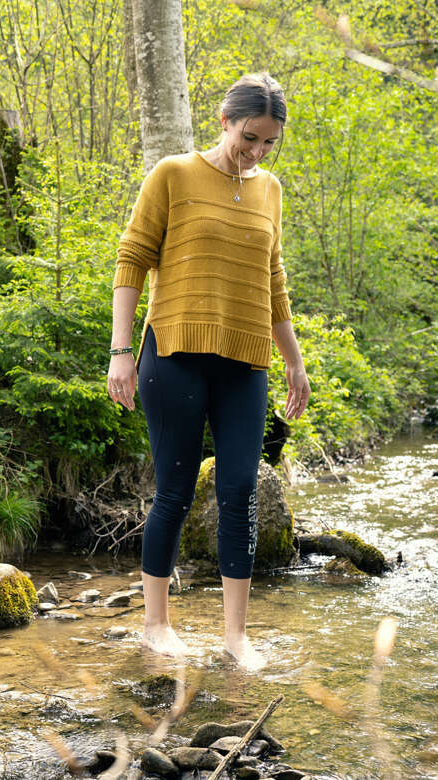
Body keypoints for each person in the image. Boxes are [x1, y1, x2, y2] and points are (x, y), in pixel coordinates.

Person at [107, 72, 310, 670]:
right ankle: (156, 624)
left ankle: (236, 636)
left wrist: (295, 365)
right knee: (173, 488)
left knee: (241, 489)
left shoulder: (270, 189)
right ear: (225, 121)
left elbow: (273, 284)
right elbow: (132, 260)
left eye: (268, 142)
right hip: (171, 355)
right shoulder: (174, 174)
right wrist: (122, 351)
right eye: (250, 137)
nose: (256, 151)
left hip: (246, 362)